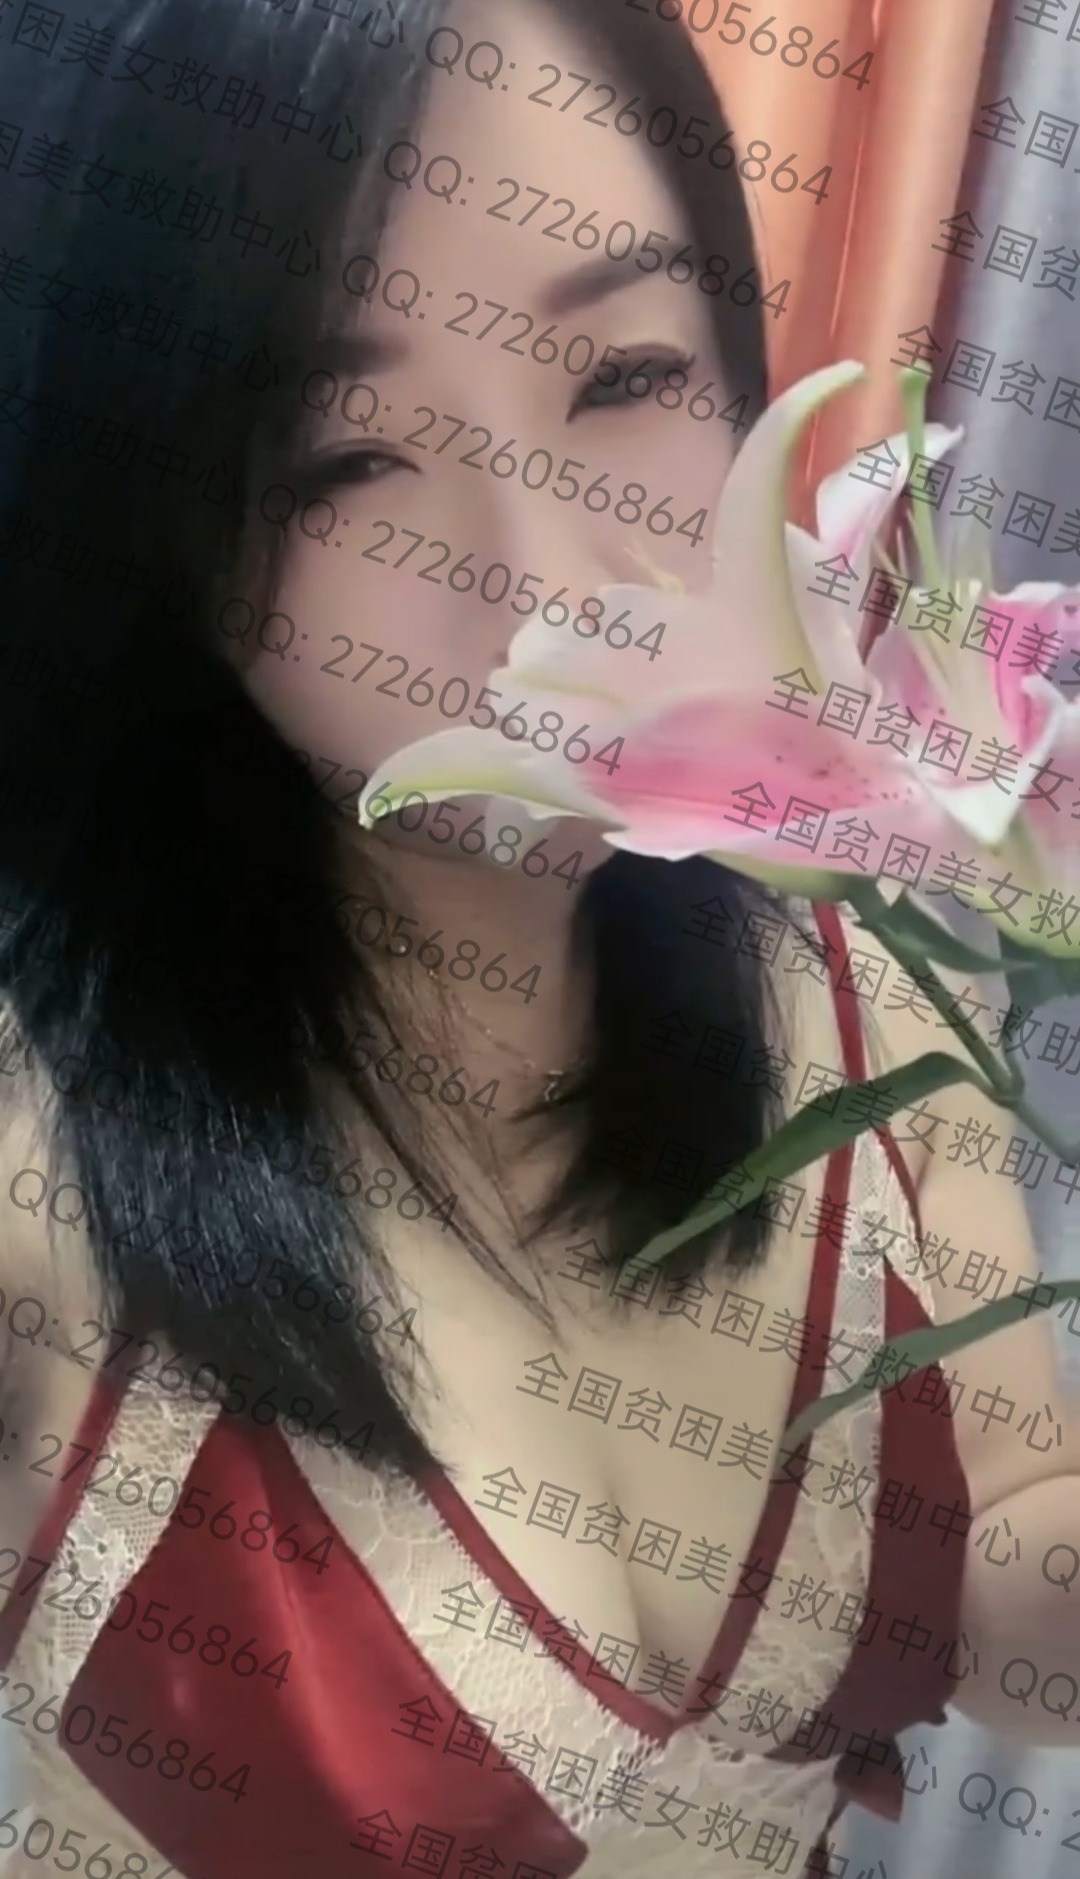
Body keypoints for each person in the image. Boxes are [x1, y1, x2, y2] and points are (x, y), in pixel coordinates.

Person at [0, 0, 1075, 1874]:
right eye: (342, 464)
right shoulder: (40, 1147)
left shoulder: (876, 989)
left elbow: (1012, 1570)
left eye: (625, 376)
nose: (547, 586)